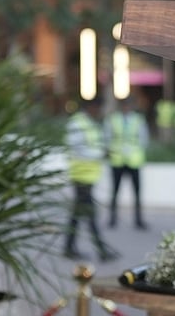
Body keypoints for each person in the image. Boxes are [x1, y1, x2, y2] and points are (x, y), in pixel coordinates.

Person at [63, 98, 118, 261]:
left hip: (88, 177)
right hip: (81, 176)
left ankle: (69, 247)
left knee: (77, 215)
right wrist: (101, 154)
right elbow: (77, 149)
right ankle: (101, 250)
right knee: (89, 214)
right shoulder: (77, 123)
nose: (99, 112)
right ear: (91, 107)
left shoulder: (90, 123)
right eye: (98, 108)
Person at [106, 96, 150, 229]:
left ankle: (138, 220)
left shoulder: (138, 120)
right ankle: (112, 219)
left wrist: (134, 149)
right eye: (124, 105)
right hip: (117, 160)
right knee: (115, 191)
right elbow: (107, 137)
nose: (126, 108)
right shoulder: (113, 119)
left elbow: (144, 139)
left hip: (133, 160)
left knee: (137, 193)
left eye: (128, 105)